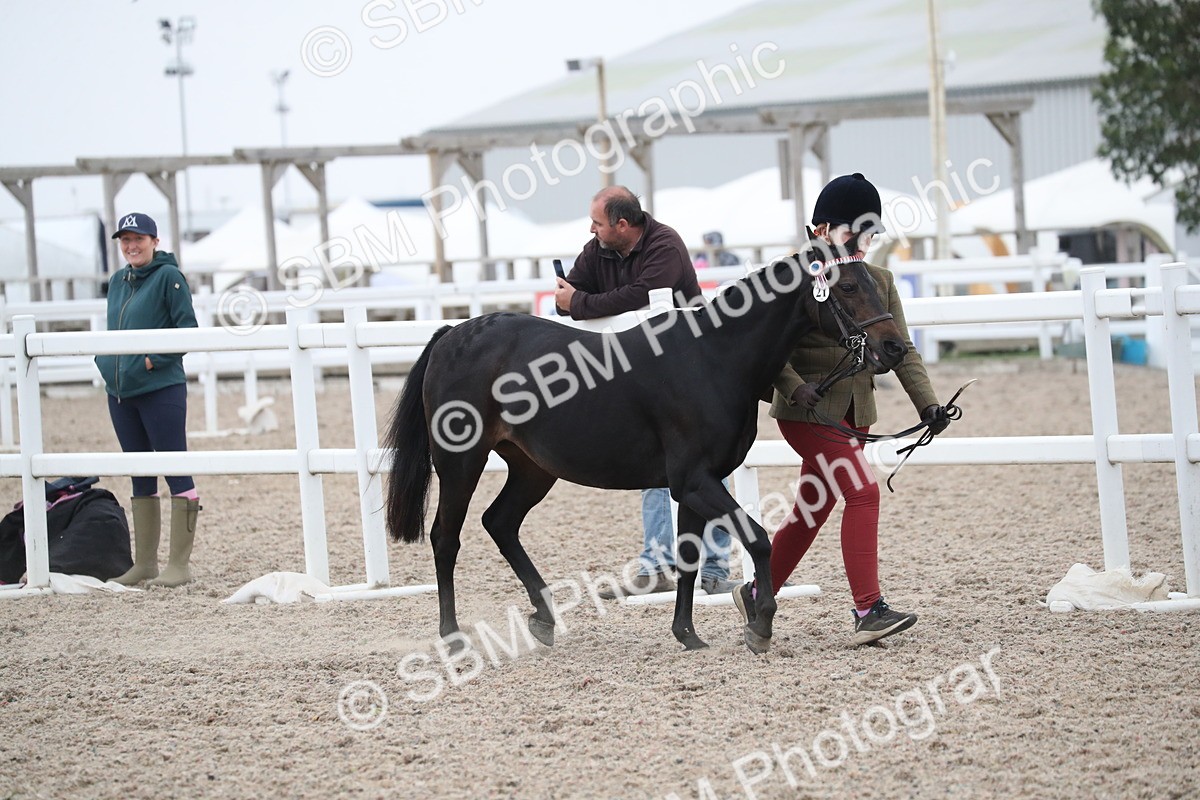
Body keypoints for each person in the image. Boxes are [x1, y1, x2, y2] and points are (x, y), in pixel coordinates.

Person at [732, 174, 950, 644]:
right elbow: (765, 349)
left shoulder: (879, 280)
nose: (865, 243)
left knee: (812, 507)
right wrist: (791, 387)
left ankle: (755, 591)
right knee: (864, 493)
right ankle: (868, 609)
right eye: (855, 232)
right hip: (808, 413)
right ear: (823, 229)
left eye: (870, 233)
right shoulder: (791, 274)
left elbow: (901, 349)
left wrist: (928, 403)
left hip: (857, 410)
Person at [555, 186, 736, 596]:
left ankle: (713, 568)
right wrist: (577, 300)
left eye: (598, 223)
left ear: (622, 224)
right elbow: (569, 298)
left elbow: (635, 297)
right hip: (643, 373)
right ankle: (659, 564)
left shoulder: (665, 243)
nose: (592, 230)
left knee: (709, 467)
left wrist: (580, 301)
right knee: (656, 464)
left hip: (692, 373)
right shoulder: (598, 247)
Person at [97, 213, 202, 588]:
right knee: (140, 474)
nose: (131, 246)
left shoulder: (169, 278)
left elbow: (187, 331)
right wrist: (105, 363)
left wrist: (151, 360)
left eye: (138, 238)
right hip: (121, 394)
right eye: (125, 240)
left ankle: (179, 565)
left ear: (154, 241)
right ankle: (145, 563)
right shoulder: (116, 282)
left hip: (161, 391)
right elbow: (113, 332)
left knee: (176, 470)